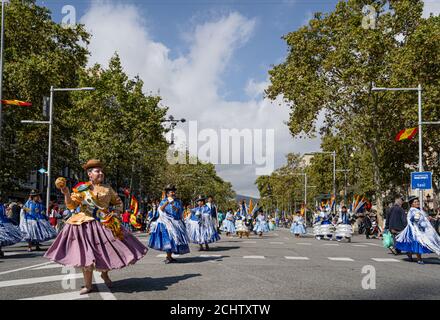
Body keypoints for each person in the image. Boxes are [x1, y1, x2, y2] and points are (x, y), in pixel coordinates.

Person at [44, 159, 148, 294]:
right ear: (89, 174)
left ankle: (105, 274)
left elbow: (118, 203)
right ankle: (88, 285)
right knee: (86, 255)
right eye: (97, 171)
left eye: (101, 171)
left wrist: (115, 214)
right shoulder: (82, 189)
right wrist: (66, 193)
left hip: (104, 223)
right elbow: (71, 205)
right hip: (83, 225)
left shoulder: (108, 188)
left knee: (106, 251)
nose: (101, 173)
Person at [148, 184, 190, 263]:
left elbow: (179, 211)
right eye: (171, 192)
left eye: (174, 192)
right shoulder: (163, 201)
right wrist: (167, 202)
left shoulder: (178, 202)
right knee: (168, 239)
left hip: (175, 223)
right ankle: (168, 256)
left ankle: (170, 256)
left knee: (174, 240)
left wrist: (173, 204)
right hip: (166, 224)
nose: (173, 193)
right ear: (167, 194)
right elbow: (160, 210)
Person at [395, 196, 440, 264]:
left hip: (420, 229)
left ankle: (409, 254)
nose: (417, 203)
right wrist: (417, 218)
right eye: (415, 202)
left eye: (417, 201)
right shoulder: (412, 210)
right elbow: (413, 219)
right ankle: (419, 258)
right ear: (411, 204)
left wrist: (428, 218)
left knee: (413, 243)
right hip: (414, 230)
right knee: (417, 243)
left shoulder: (419, 210)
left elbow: (423, 218)